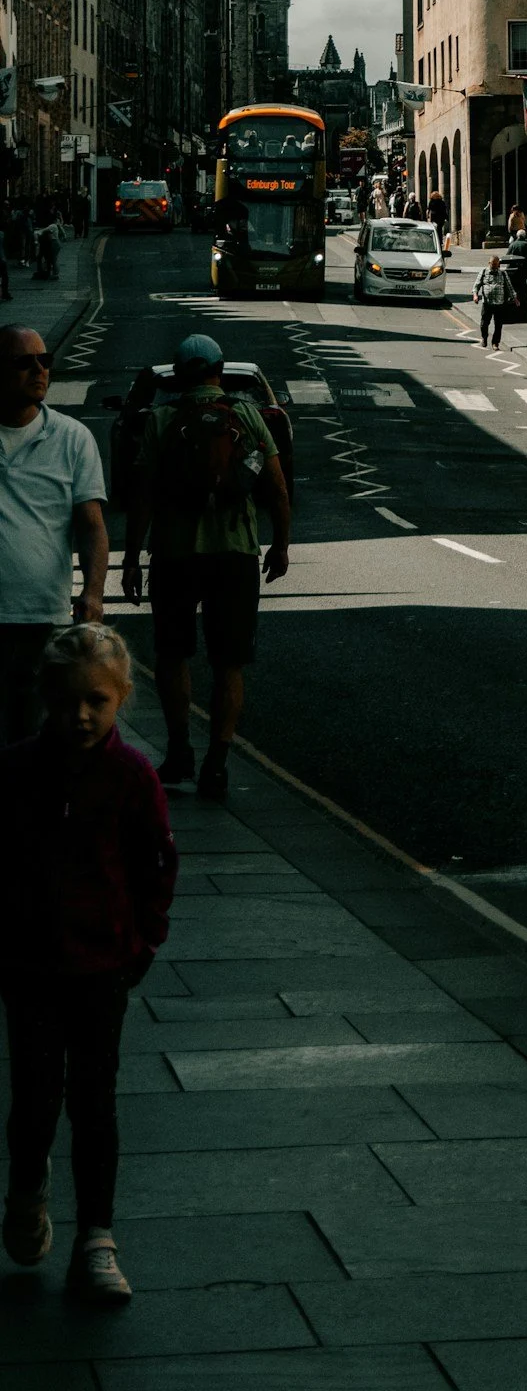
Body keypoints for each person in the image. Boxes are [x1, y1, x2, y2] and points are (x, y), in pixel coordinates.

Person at [0, 623, 176, 1304]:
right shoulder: (14, 772)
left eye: (96, 702)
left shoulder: (131, 776)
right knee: (36, 1099)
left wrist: (143, 943)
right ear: (45, 694)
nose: (80, 714)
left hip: (103, 966)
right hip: (30, 966)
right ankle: (26, 1188)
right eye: (68, 699)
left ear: (122, 698)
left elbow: (156, 863)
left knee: (95, 1104)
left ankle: (97, 1240)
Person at [119, 333, 291, 798]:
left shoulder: (161, 420)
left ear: (178, 378)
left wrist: (132, 558)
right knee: (229, 663)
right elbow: (275, 487)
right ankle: (217, 762)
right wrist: (280, 546)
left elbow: (143, 496)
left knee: (173, 655)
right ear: (219, 372)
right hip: (235, 554)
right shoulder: (249, 416)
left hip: (175, 554)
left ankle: (178, 753)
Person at [0, 329, 108, 746]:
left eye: (45, 360)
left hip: (44, 620)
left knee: (35, 741)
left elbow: (92, 525)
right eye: (24, 362)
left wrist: (93, 593)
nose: (39, 370)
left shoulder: (72, 438)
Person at [474, 256, 509, 350]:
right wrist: (475, 295)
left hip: (499, 303)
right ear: (489, 263)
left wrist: (515, 298)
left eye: (495, 264)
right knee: (484, 323)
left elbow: (509, 286)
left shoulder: (503, 273)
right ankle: (484, 338)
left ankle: (495, 343)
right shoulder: (483, 272)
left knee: (498, 325)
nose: (493, 266)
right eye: (492, 264)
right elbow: (476, 285)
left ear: (498, 264)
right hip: (487, 303)